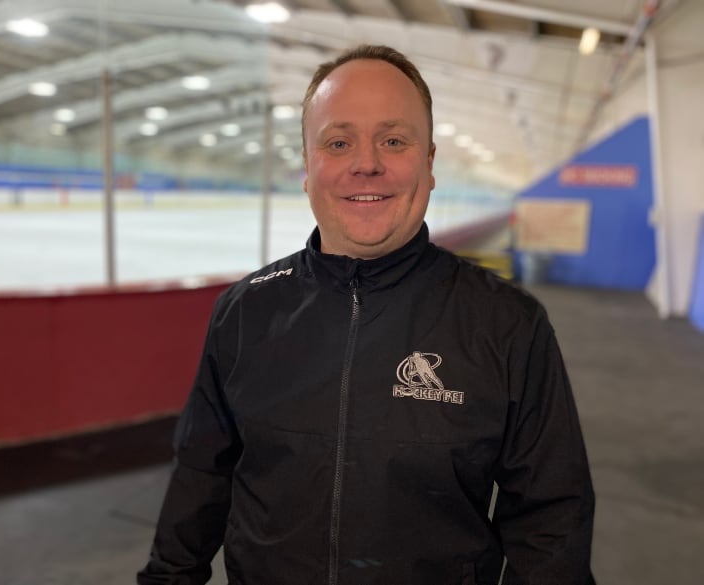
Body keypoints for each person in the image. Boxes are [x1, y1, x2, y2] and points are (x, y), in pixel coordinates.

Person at [138, 44, 596, 585]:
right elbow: (199, 478)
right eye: (338, 142)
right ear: (308, 167)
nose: (366, 163)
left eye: (394, 140)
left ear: (428, 165)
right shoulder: (245, 311)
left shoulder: (507, 324)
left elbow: (550, 523)